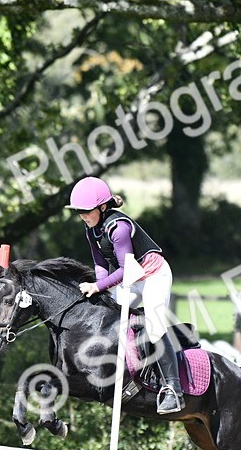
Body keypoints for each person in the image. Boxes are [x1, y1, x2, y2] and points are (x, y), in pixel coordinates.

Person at [67, 176, 183, 414]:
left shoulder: (118, 228)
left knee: (154, 327)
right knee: (106, 314)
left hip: (153, 276)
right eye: (79, 212)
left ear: (102, 207)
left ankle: (174, 390)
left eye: (86, 211)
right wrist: (100, 287)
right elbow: (100, 264)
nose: (83, 216)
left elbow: (124, 270)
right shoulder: (92, 228)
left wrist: (97, 287)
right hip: (131, 278)